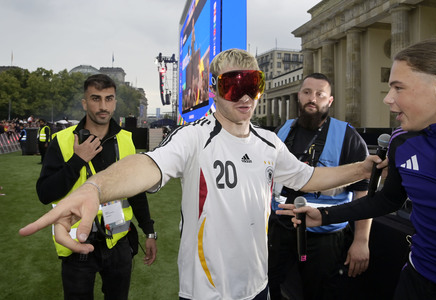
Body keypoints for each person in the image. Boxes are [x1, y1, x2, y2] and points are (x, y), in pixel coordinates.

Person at [20, 49, 381, 300]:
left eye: (252, 85)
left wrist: (363, 168)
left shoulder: (269, 142)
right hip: (208, 290)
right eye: (232, 87)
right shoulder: (194, 136)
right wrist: (96, 187)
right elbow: (149, 165)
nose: (246, 98)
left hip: (257, 283)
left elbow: (309, 178)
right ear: (213, 91)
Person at [277, 38, 436, 300]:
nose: (388, 99)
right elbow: (387, 200)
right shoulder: (402, 142)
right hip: (417, 279)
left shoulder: (347, 135)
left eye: (398, 88)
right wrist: (324, 215)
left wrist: (360, 240)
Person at [35, 74, 157, 300]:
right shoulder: (62, 141)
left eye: (109, 99)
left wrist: (149, 231)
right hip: (77, 243)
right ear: (84, 103)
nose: (103, 106)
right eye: (96, 98)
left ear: (115, 102)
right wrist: (77, 160)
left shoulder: (126, 140)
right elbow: (45, 193)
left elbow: (137, 192)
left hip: (118, 238)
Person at [268, 73, 372, 300]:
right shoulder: (282, 132)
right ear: (299, 96)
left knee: (321, 293)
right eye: (307, 92)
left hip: (325, 237)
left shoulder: (348, 137)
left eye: (319, 94)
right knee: (268, 286)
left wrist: (361, 241)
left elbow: (363, 194)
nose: (312, 98)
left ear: (330, 101)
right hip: (281, 230)